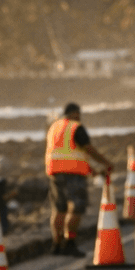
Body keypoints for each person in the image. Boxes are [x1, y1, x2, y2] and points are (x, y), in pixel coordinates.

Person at [45, 102, 113, 256]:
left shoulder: (54, 128)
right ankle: (70, 243)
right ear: (75, 113)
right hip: (73, 173)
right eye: (79, 114)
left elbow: (68, 151)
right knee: (77, 207)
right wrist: (106, 163)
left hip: (55, 171)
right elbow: (88, 148)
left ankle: (56, 244)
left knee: (59, 209)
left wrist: (91, 170)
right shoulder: (76, 127)